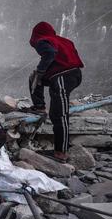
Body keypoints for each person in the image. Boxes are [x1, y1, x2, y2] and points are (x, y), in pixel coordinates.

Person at [27, 21, 83, 163]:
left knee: (59, 114)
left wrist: (41, 70)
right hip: (72, 74)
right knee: (34, 78)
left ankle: (60, 153)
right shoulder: (64, 41)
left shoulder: (42, 40)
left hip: (63, 76)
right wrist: (40, 74)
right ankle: (39, 106)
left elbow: (50, 53)